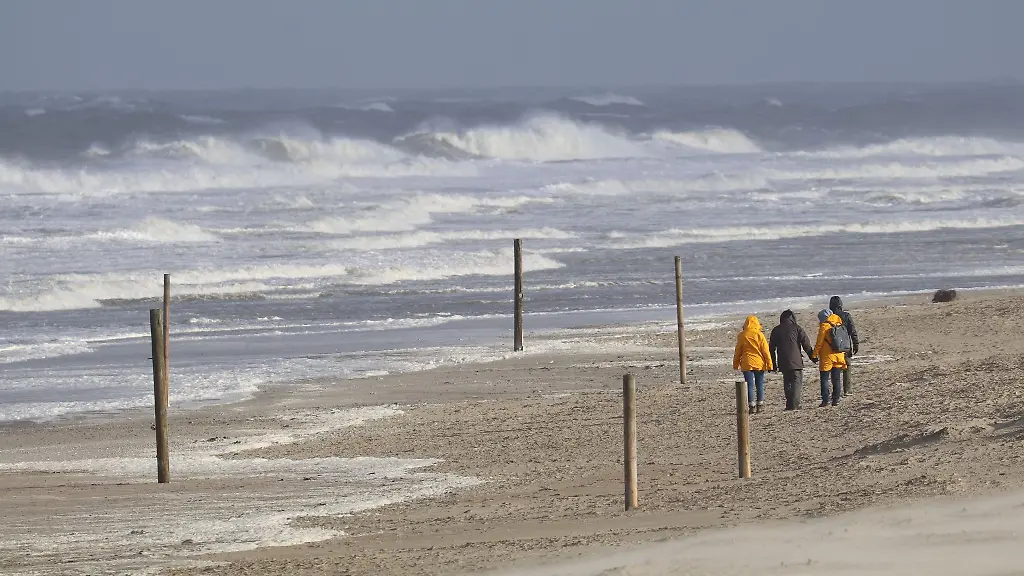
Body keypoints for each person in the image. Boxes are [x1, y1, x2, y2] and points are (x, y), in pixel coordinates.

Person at [769, 309, 815, 410]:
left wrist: (772, 364)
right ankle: (795, 404)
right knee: (796, 382)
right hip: (796, 361)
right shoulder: (797, 328)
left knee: (787, 382)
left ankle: (789, 404)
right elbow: (806, 344)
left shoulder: (776, 330)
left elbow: (771, 348)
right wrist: (813, 357)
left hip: (783, 361)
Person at [733, 316, 774, 414]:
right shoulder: (760, 335)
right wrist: (770, 364)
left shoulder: (742, 335)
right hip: (759, 363)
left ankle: (751, 405)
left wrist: (736, 364)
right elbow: (765, 351)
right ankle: (760, 404)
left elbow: (738, 351)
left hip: (746, 363)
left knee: (749, 385)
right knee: (759, 384)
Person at [812, 308, 848, 407]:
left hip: (827, 356)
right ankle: (836, 399)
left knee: (824, 379)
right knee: (836, 378)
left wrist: (814, 355)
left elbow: (819, 343)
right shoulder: (839, 323)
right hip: (839, 354)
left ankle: (825, 400)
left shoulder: (824, 326)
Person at [829, 296, 860, 396]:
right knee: (847, 367)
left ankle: (836, 391)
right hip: (845, 346)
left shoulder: (829, 317)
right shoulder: (846, 316)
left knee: (835, 369)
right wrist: (856, 344)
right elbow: (852, 331)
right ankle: (847, 390)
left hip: (833, 346)